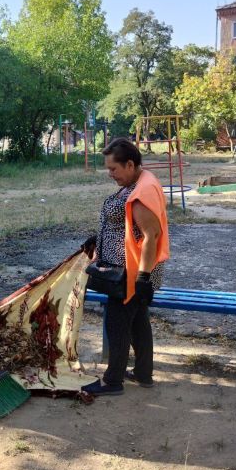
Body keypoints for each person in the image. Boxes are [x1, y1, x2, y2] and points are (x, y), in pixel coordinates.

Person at [81, 138, 170, 395]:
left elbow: (151, 236)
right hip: (129, 268)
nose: (110, 174)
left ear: (129, 164)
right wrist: (98, 239)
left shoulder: (143, 191)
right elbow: (124, 225)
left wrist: (142, 279)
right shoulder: (137, 182)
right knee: (137, 322)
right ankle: (143, 374)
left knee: (117, 322)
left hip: (131, 271)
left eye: (113, 169)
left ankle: (112, 381)